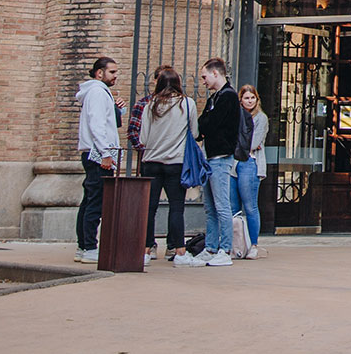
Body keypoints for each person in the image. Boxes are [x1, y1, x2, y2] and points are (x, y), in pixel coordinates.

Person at [137, 68, 203, 266]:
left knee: (149, 209)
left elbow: (142, 138)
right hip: (176, 162)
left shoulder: (150, 106)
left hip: (151, 162)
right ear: (178, 83)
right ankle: (180, 252)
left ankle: (145, 251)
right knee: (177, 208)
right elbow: (194, 132)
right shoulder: (187, 104)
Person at [74, 56, 121, 264]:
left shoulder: (97, 93)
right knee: (96, 201)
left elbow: (107, 121)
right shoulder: (96, 92)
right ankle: (89, 247)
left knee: (89, 199)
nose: (115, 76)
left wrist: (118, 109)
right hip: (97, 154)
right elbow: (97, 125)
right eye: (112, 72)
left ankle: (83, 246)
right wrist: (106, 154)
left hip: (93, 152)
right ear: (99, 73)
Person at [195, 57, 241, 267]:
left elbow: (209, 124)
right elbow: (202, 124)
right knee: (210, 206)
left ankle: (225, 249)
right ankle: (211, 247)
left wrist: (205, 124)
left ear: (216, 73)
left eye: (204, 76)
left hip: (221, 157)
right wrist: (205, 124)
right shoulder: (215, 97)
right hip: (210, 156)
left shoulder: (228, 97)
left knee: (222, 205)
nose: (203, 81)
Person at [235, 84, 268, 258]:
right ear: (240, 100)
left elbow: (253, 143)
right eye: (246, 98)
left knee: (250, 206)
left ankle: (254, 244)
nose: (249, 101)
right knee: (233, 207)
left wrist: (240, 144)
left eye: (252, 98)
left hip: (250, 162)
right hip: (233, 163)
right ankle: (237, 244)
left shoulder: (260, 118)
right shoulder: (236, 116)